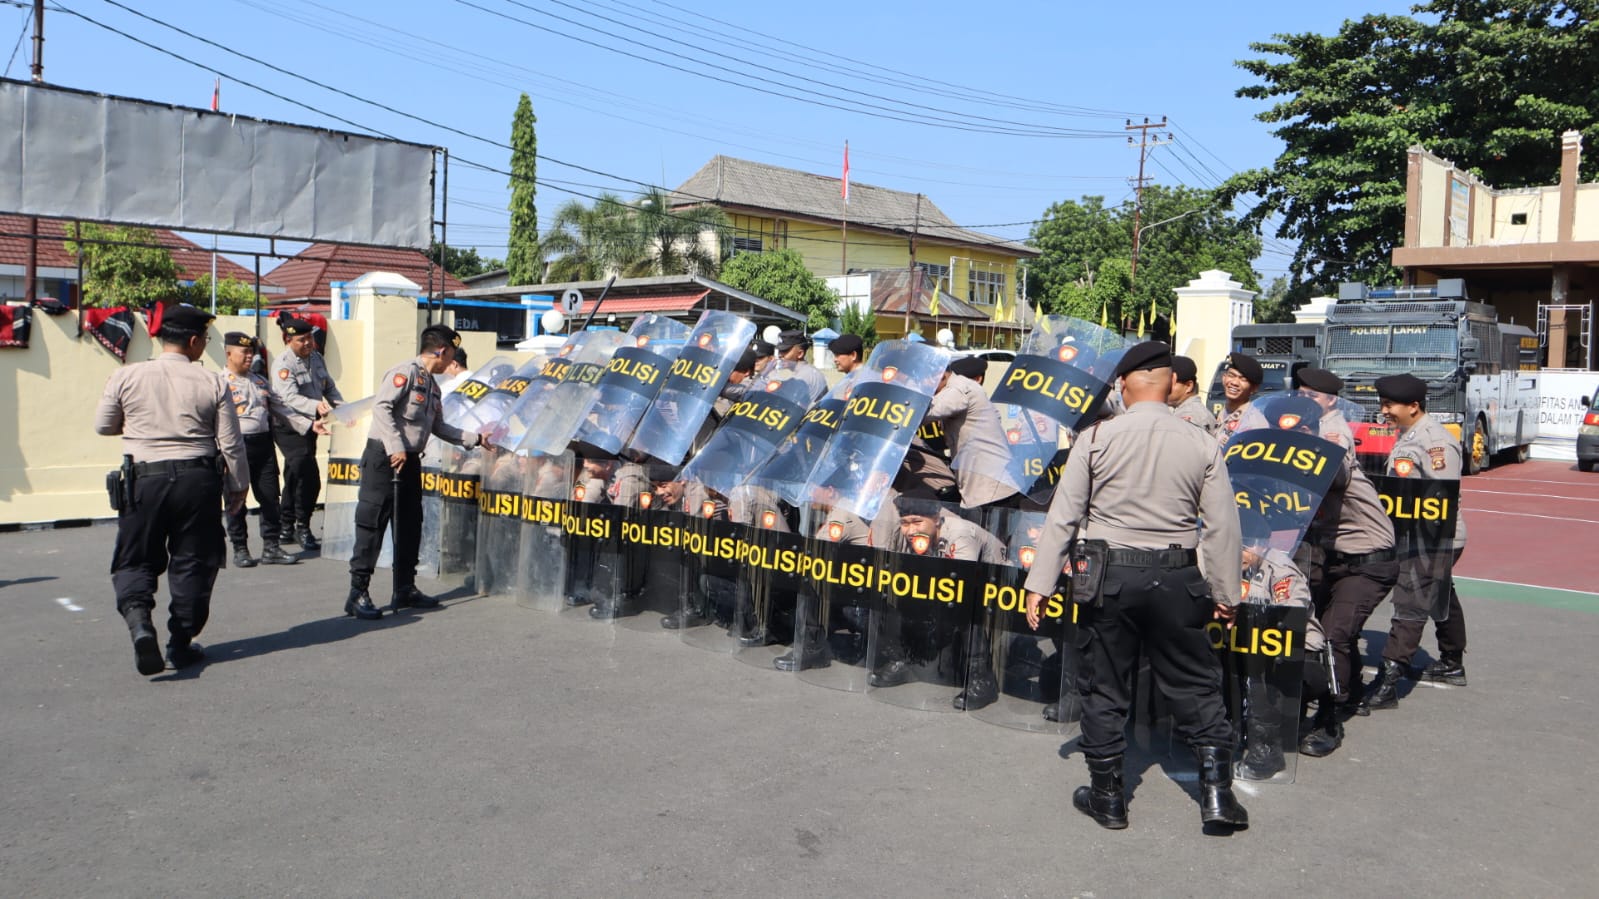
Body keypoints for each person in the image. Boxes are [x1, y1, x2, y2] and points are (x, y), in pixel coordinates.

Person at [1023, 341, 1247, 832]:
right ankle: (1217, 797)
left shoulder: (1097, 438)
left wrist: (1038, 584)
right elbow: (1223, 528)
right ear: (1170, 384)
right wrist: (1227, 594)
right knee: (1195, 684)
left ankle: (1107, 798)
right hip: (1178, 578)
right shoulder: (1201, 441)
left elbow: (1063, 519)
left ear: (1124, 384)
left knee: (1104, 687)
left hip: (1109, 579)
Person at [95, 305, 249, 675]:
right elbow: (230, 444)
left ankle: (139, 624)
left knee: (135, 559)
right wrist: (238, 488)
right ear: (194, 342)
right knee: (195, 561)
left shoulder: (126, 376)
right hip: (198, 481)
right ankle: (180, 643)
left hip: (143, 480)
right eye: (205, 340)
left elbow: (103, 426)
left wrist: (141, 428)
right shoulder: (212, 382)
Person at [345, 325, 485, 620]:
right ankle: (358, 592)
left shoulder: (432, 386)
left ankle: (404, 588)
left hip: (410, 461)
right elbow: (382, 407)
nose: (451, 362)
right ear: (442, 350)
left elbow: (438, 427)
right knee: (372, 524)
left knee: (410, 525)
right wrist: (395, 446)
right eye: (451, 355)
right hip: (384, 458)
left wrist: (476, 438)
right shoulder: (405, 372)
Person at [1367, 373, 1469, 709]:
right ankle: (1452, 662)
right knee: (1439, 591)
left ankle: (1390, 679)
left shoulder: (1436, 442)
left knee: (1411, 599)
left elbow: (1440, 498)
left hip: (1431, 537)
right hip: (1414, 533)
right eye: (1382, 403)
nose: (1384, 410)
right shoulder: (1409, 433)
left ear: (1413, 406)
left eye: (1389, 404)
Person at [221, 332, 301, 568]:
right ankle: (240, 548)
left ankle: (271, 547)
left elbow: (282, 410)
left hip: (263, 445)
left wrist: (310, 425)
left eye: (251, 352)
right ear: (228, 353)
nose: (249, 356)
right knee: (236, 499)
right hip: (236, 447)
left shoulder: (260, 382)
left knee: (269, 497)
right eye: (244, 352)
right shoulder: (219, 382)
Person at [271, 312, 343, 550]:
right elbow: (288, 397)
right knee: (308, 476)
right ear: (287, 340)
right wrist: (315, 405)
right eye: (301, 340)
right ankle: (301, 525)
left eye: (308, 338)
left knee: (295, 475)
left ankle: (287, 526)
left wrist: (343, 409)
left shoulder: (317, 358)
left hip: (313, 425)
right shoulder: (283, 364)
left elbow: (329, 387)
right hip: (289, 425)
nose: (307, 344)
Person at [1215, 352, 1262, 444]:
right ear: (1224, 378)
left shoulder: (1254, 423)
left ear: (1254, 388)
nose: (1235, 383)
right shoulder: (1225, 412)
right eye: (1231, 376)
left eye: (1243, 379)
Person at [1168, 355, 1219, 436]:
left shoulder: (1189, 416)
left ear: (1189, 386)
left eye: (1170, 383)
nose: (1164, 387)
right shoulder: (1190, 410)